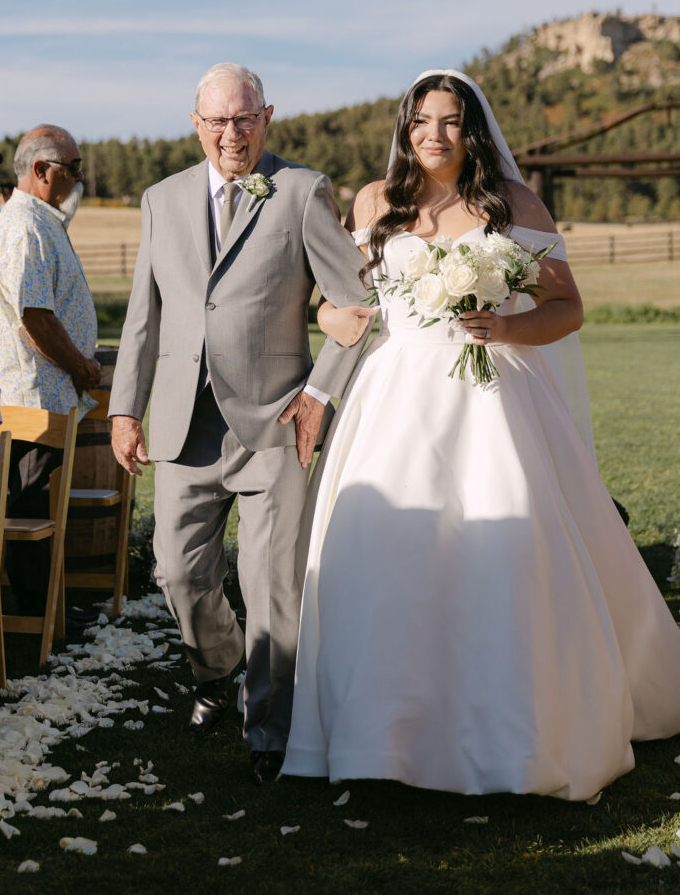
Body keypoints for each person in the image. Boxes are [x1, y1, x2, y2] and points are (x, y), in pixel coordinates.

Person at [282, 70, 680, 800]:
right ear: (405, 129)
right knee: (385, 557)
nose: (434, 135)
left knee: (503, 553)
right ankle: (381, 740)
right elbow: (339, 302)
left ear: (473, 132)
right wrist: (326, 319)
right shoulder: (375, 202)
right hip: (394, 400)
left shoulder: (512, 203)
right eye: (421, 122)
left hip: (492, 395)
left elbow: (566, 307)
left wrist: (504, 326)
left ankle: (512, 736)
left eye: (451, 122)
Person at [109, 63, 369, 784]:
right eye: (218, 121)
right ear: (196, 124)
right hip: (182, 428)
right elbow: (144, 316)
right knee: (176, 573)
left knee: (271, 585)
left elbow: (356, 306)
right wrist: (125, 407)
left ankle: (270, 734)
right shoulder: (160, 200)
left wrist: (319, 395)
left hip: (275, 425)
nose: (232, 134)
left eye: (245, 119)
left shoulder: (301, 191)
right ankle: (215, 669)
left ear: (267, 117)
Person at [0, 125, 100, 619]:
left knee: (38, 504)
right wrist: (81, 366)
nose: (79, 176)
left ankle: (48, 609)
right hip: (33, 399)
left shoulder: (41, 219)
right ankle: (37, 618)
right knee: (29, 508)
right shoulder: (24, 224)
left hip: (46, 395)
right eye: (73, 167)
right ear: (41, 170)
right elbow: (34, 314)